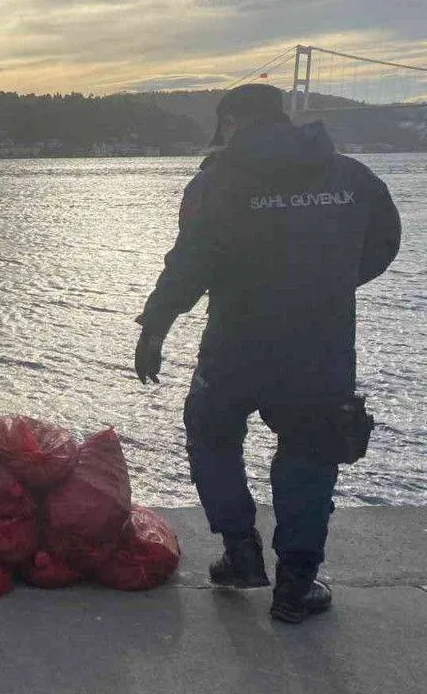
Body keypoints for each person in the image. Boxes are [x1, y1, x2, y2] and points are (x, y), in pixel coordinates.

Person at [134, 84, 401, 623]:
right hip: (320, 349)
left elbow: (189, 266)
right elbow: (384, 243)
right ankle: (295, 587)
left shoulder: (215, 184)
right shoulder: (353, 178)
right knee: (310, 454)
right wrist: (328, 284)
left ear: (232, 123)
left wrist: (154, 329)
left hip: (235, 345)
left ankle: (240, 553)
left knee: (212, 435)